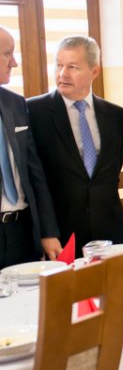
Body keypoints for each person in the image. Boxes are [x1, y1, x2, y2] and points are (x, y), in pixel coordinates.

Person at [28, 36, 123, 251]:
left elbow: (113, 169)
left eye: (72, 67)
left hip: (109, 229)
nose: (63, 74)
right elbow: (33, 178)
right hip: (61, 233)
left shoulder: (114, 114)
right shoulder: (34, 112)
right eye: (59, 65)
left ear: (94, 71)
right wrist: (47, 231)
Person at [0, 29, 60, 267]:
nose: (14, 62)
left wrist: (48, 231)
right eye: (7, 53)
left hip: (23, 230)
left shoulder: (15, 104)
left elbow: (35, 173)